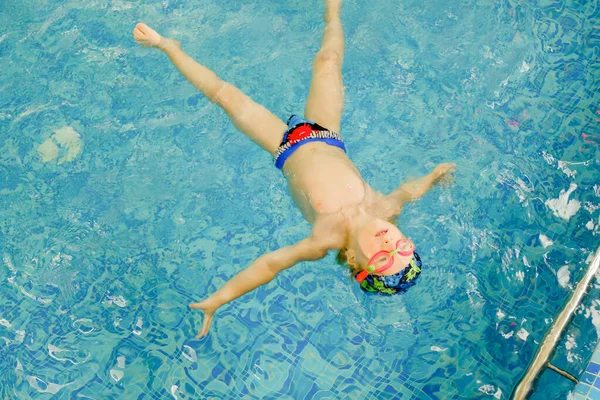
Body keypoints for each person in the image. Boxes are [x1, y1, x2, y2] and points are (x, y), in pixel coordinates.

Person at [133, 0, 455, 338]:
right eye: (402, 247)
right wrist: (434, 176)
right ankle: (332, 11)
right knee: (328, 62)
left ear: (355, 262)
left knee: (225, 95)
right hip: (327, 132)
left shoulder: (323, 240)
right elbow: (410, 190)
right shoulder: (385, 208)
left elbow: (270, 264)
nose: (389, 244)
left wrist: (220, 299)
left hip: (283, 146)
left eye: (384, 258)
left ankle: (167, 45)